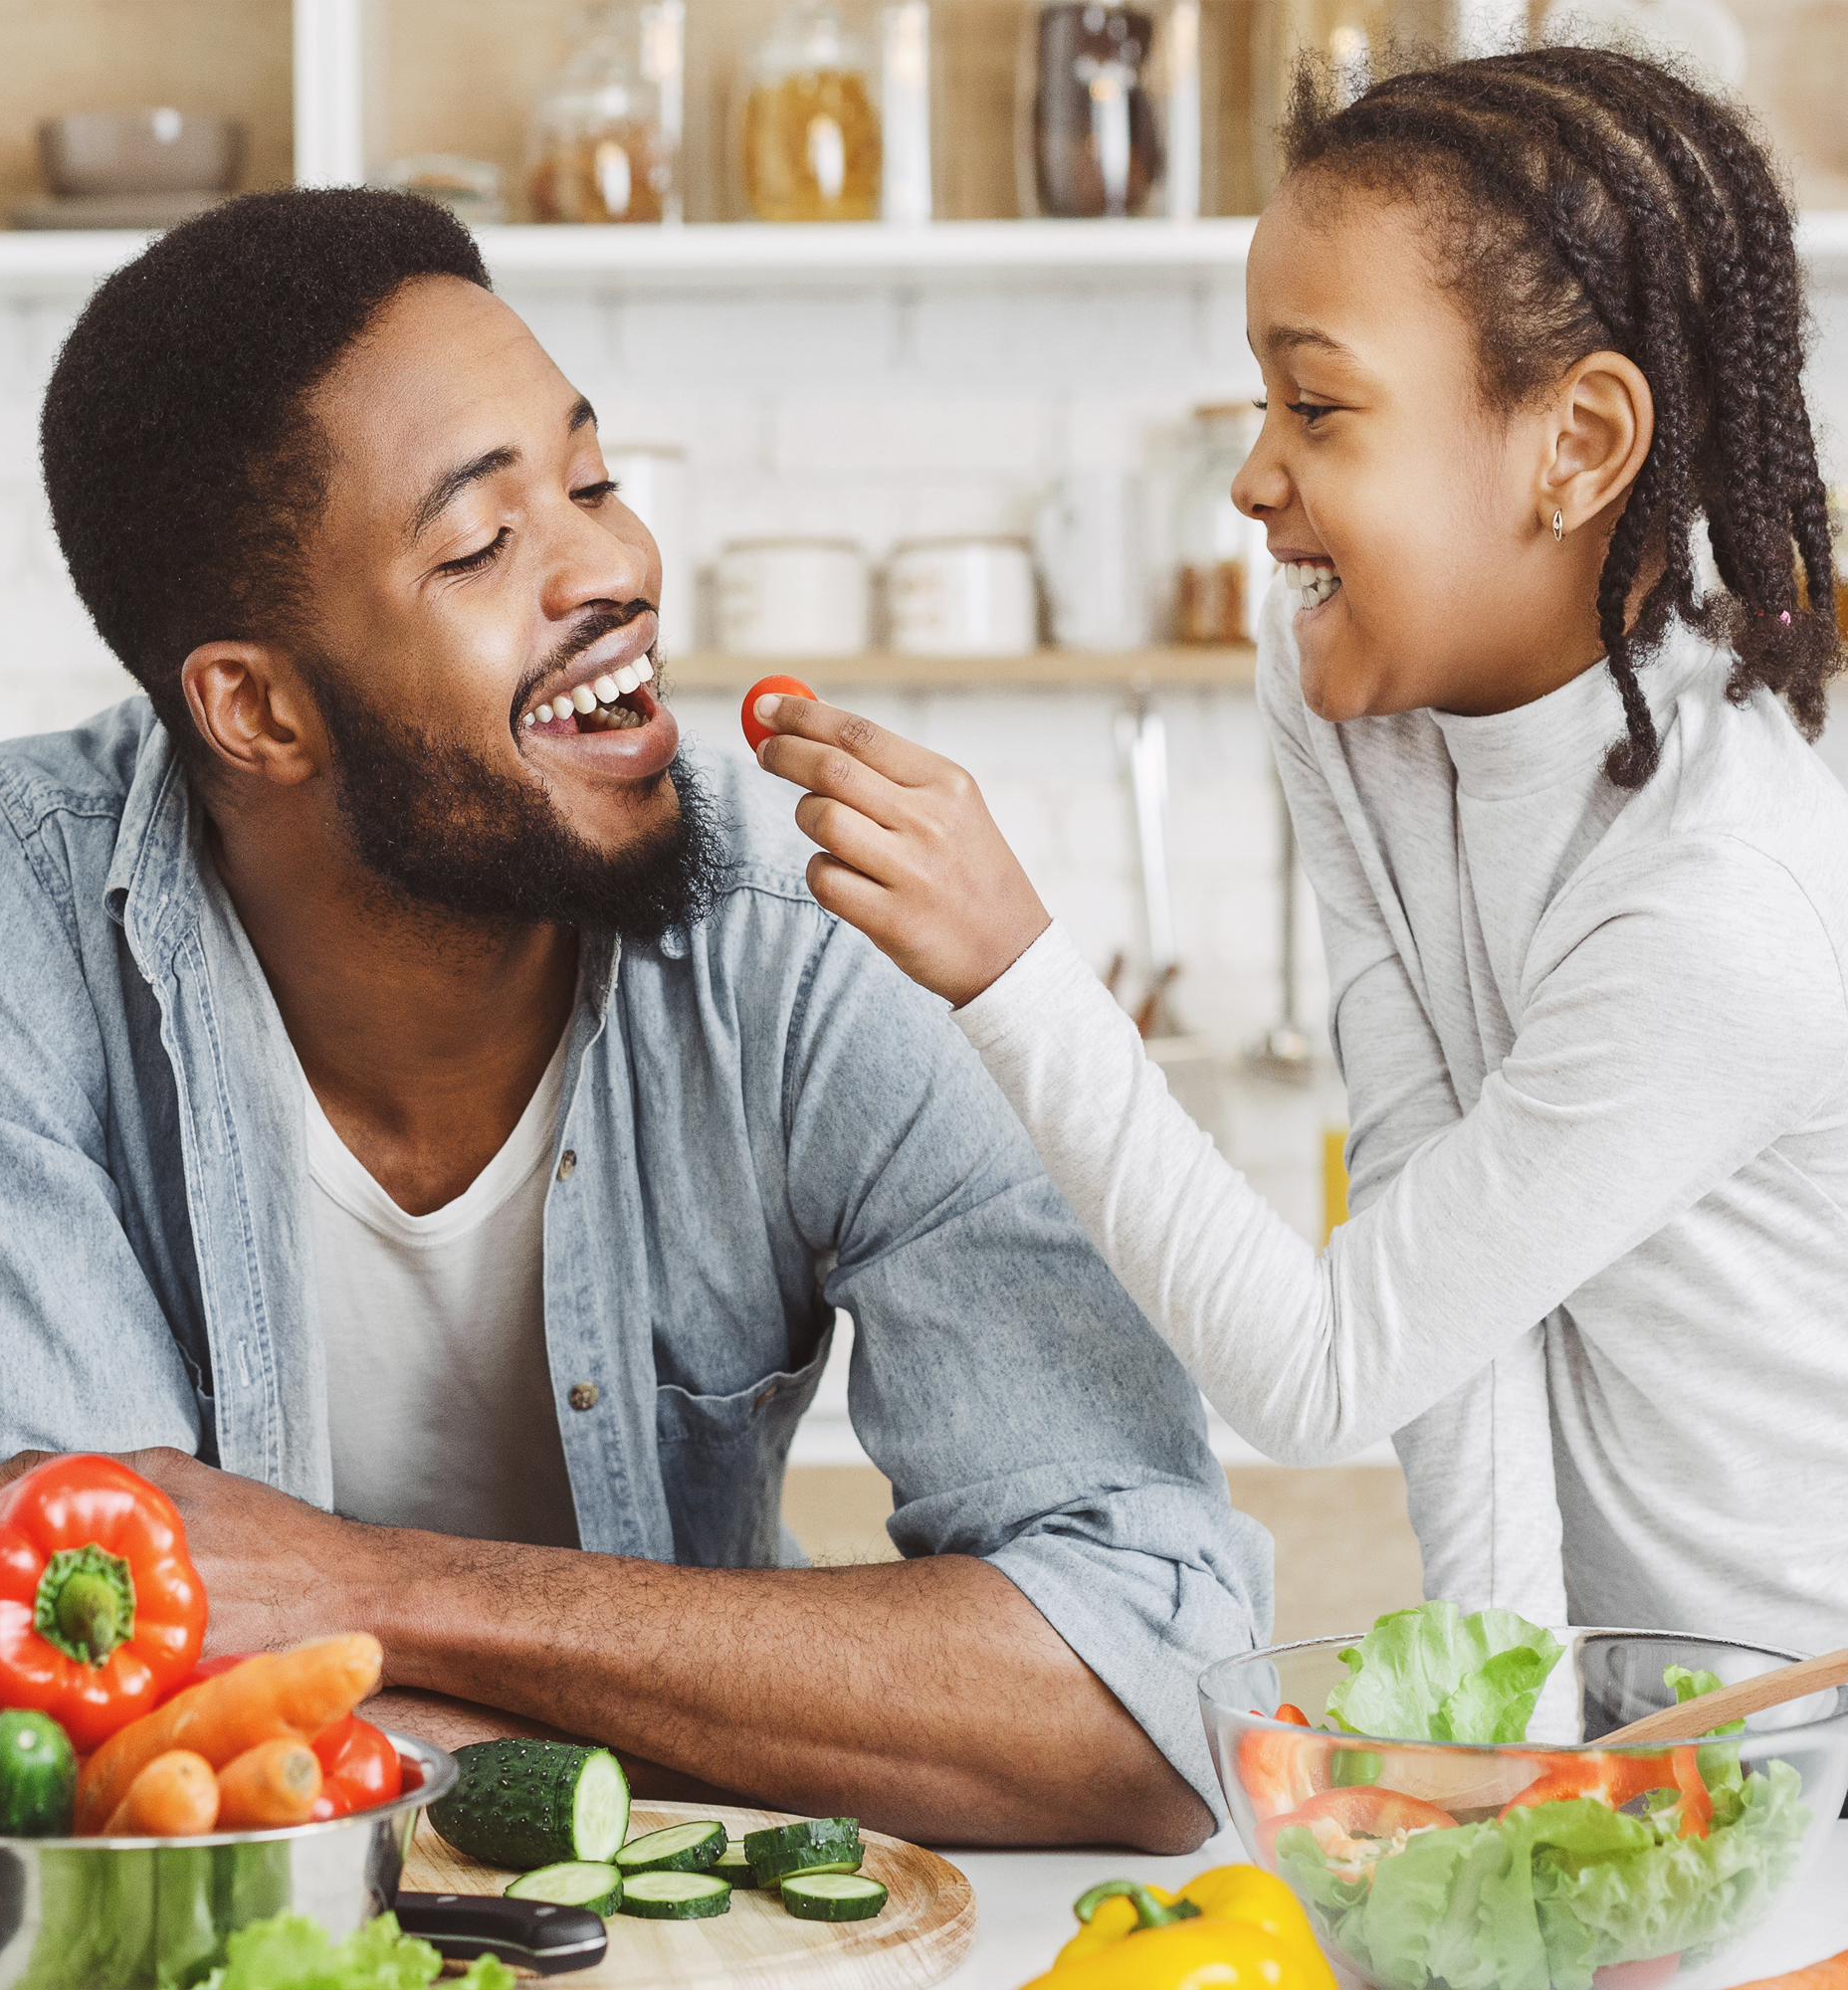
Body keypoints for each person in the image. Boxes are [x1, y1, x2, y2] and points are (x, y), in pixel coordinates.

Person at [0, 188, 1270, 1855]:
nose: (612, 565)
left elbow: (1162, 1700)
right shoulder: (9, 901)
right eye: (480, 544)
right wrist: (797, 1724)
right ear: (256, 708)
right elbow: (69, 1716)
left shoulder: (811, 933)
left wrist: (373, 1592)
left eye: (591, 481)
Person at [754, 46, 1848, 1655]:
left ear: (1578, 442)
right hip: (1643, 1731)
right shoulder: (1350, 693)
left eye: (1318, 407)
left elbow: (1326, 1370)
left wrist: (1016, 968)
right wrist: (1516, 1748)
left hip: (1807, 1732)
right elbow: (1435, 1283)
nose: (1257, 479)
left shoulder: (1719, 903)